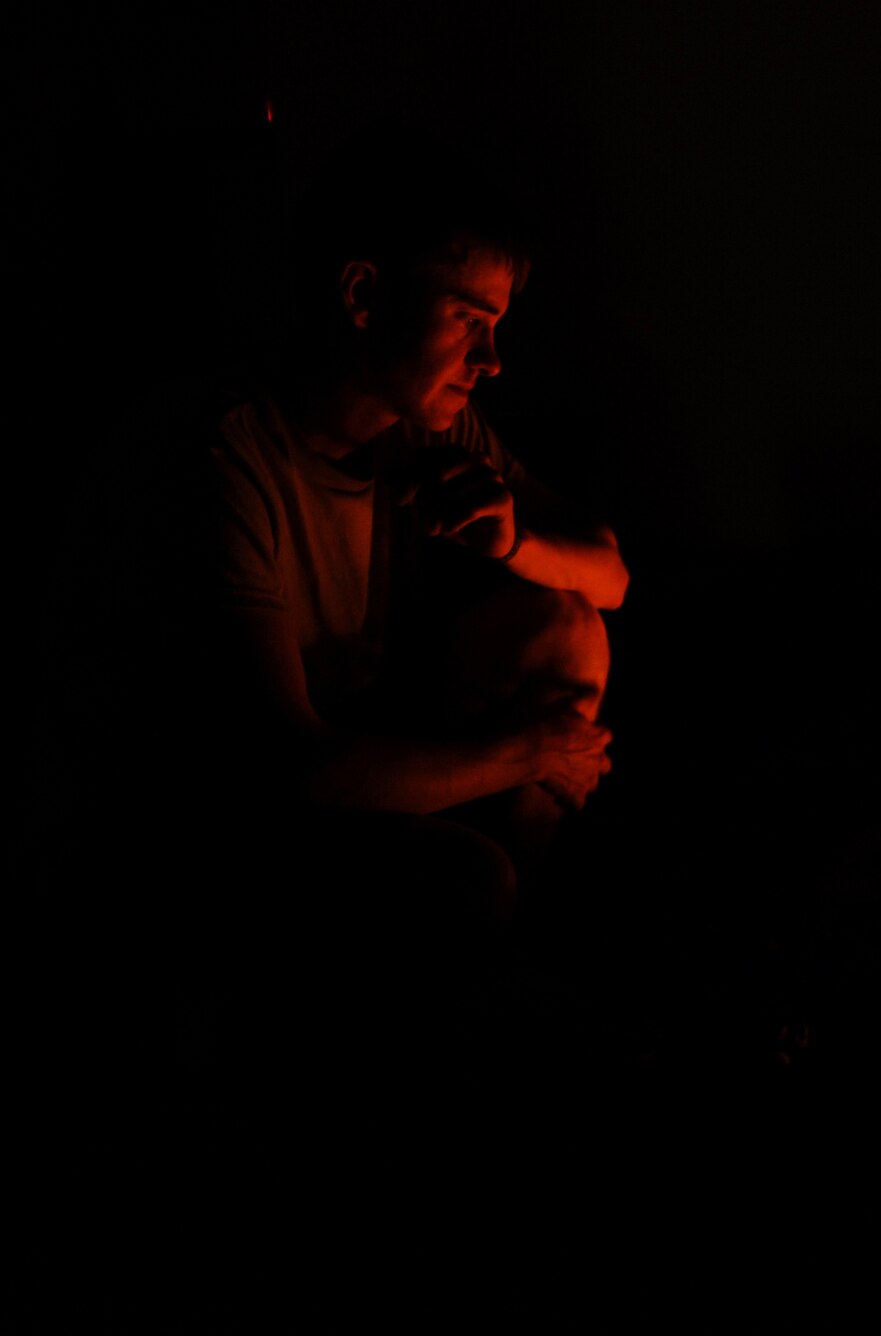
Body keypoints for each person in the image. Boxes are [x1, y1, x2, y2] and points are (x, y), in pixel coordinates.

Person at [200, 139, 628, 1090]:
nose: (491, 360)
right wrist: (535, 754)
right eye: (467, 320)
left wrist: (514, 540)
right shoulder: (226, 461)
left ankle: (502, 976)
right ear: (361, 297)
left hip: (335, 782)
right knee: (462, 881)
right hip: (186, 849)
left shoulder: (419, 426)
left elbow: (609, 576)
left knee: (565, 624)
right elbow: (288, 772)